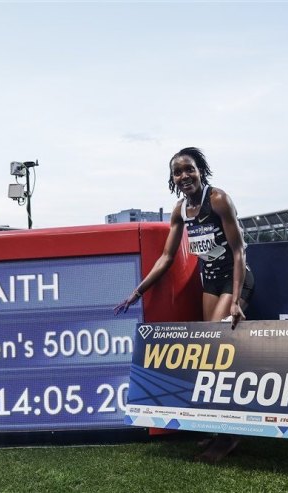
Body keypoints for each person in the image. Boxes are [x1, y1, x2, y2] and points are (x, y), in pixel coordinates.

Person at [114, 147, 255, 463]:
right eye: (178, 172)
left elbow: (238, 251)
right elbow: (166, 256)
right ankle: (222, 428)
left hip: (236, 279)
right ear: (172, 179)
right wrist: (137, 292)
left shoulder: (217, 200)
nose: (184, 176)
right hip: (210, 284)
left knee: (218, 351)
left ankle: (230, 437)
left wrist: (235, 302)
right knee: (210, 356)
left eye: (189, 169)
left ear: (200, 171)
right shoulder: (180, 210)